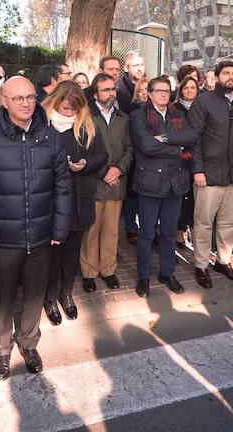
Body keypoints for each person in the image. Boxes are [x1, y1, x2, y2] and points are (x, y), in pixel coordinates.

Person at [0, 76, 72, 381]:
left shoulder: (50, 138)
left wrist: (59, 228)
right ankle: (2, 349)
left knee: (35, 295)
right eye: (18, 98)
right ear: (5, 102)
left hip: (41, 235)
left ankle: (28, 341)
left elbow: (63, 187)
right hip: (3, 238)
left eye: (30, 97)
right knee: (3, 296)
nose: (26, 103)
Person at [188, 60, 233, 289]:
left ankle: (223, 261)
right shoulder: (204, 101)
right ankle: (201, 265)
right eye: (226, 73)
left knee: (229, 223)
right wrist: (197, 169)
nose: (230, 77)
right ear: (217, 76)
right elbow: (194, 138)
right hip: (209, 174)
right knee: (203, 223)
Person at [42, 82, 107, 323]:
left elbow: (102, 155)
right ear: (55, 102)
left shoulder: (86, 125)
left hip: (80, 200)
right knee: (52, 254)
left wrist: (85, 165)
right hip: (51, 202)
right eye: (65, 108)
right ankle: (49, 297)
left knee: (71, 253)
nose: (69, 113)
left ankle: (66, 293)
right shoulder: (42, 124)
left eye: (73, 109)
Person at [130, 76, 200, 297]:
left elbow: (191, 136)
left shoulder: (178, 114)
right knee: (147, 234)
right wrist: (178, 150)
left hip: (175, 183)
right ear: (149, 93)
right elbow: (146, 145)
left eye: (166, 91)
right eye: (158, 91)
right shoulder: (138, 115)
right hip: (150, 182)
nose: (163, 94)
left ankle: (167, 272)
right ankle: (144, 277)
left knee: (169, 232)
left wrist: (167, 137)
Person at [83, 73, 133, 291]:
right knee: (91, 231)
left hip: (116, 184)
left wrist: (119, 169)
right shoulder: (84, 117)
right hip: (95, 183)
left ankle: (108, 270)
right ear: (95, 93)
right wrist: (104, 171)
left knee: (112, 231)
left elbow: (130, 149)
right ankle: (89, 272)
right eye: (106, 89)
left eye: (113, 89)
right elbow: (82, 150)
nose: (112, 93)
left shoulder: (123, 118)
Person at [174, 76, 200, 247]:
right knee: (182, 196)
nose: (189, 90)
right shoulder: (175, 108)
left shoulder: (203, 106)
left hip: (200, 157)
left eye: (193, 87)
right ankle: (179, 231)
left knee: (196, 198)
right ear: (181, 90)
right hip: (182, 158)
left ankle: (194, 230)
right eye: (186, 88)